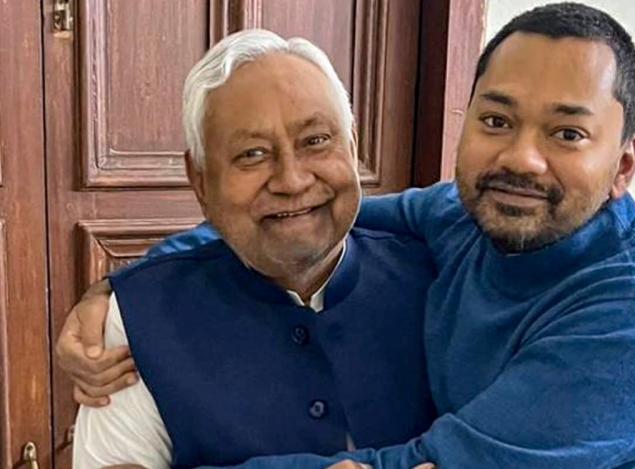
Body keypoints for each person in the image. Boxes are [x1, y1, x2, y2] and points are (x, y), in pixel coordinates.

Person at [62, 3, 635, 468]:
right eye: (497, 120)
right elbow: (318, 213)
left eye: (567, 133)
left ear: (623, 164)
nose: (522, 158)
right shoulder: (462, 218)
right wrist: (122, 287)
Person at [69, 29, 437, 469]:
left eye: (316, 141)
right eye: (252, 154)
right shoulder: (136, 317)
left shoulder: (438, 279)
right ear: (200, 180)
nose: (292, 180)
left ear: (352, 146)